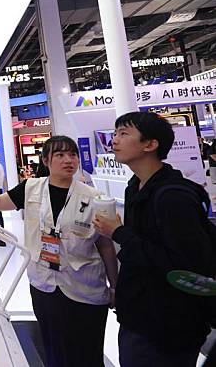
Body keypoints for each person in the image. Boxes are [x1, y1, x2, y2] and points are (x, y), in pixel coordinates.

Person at [0, 136, 118, 367]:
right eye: (60, 155)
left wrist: (115, 285)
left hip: (84, 286)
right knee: (53, 347)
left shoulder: (93, 197)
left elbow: (105, 245)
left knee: (87, 351)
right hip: (44, 284)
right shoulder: (31, 187)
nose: (68, 160)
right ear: (46, 161)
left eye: (72, 154)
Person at [92, 112, 215, 367]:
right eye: (115, 133)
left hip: (168, 328)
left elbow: (182, 267)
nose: (114, 140)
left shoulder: (173, 197)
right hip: (138, 316)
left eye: (124, 133)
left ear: (150, 144)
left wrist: (119, 233)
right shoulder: (135, 186)